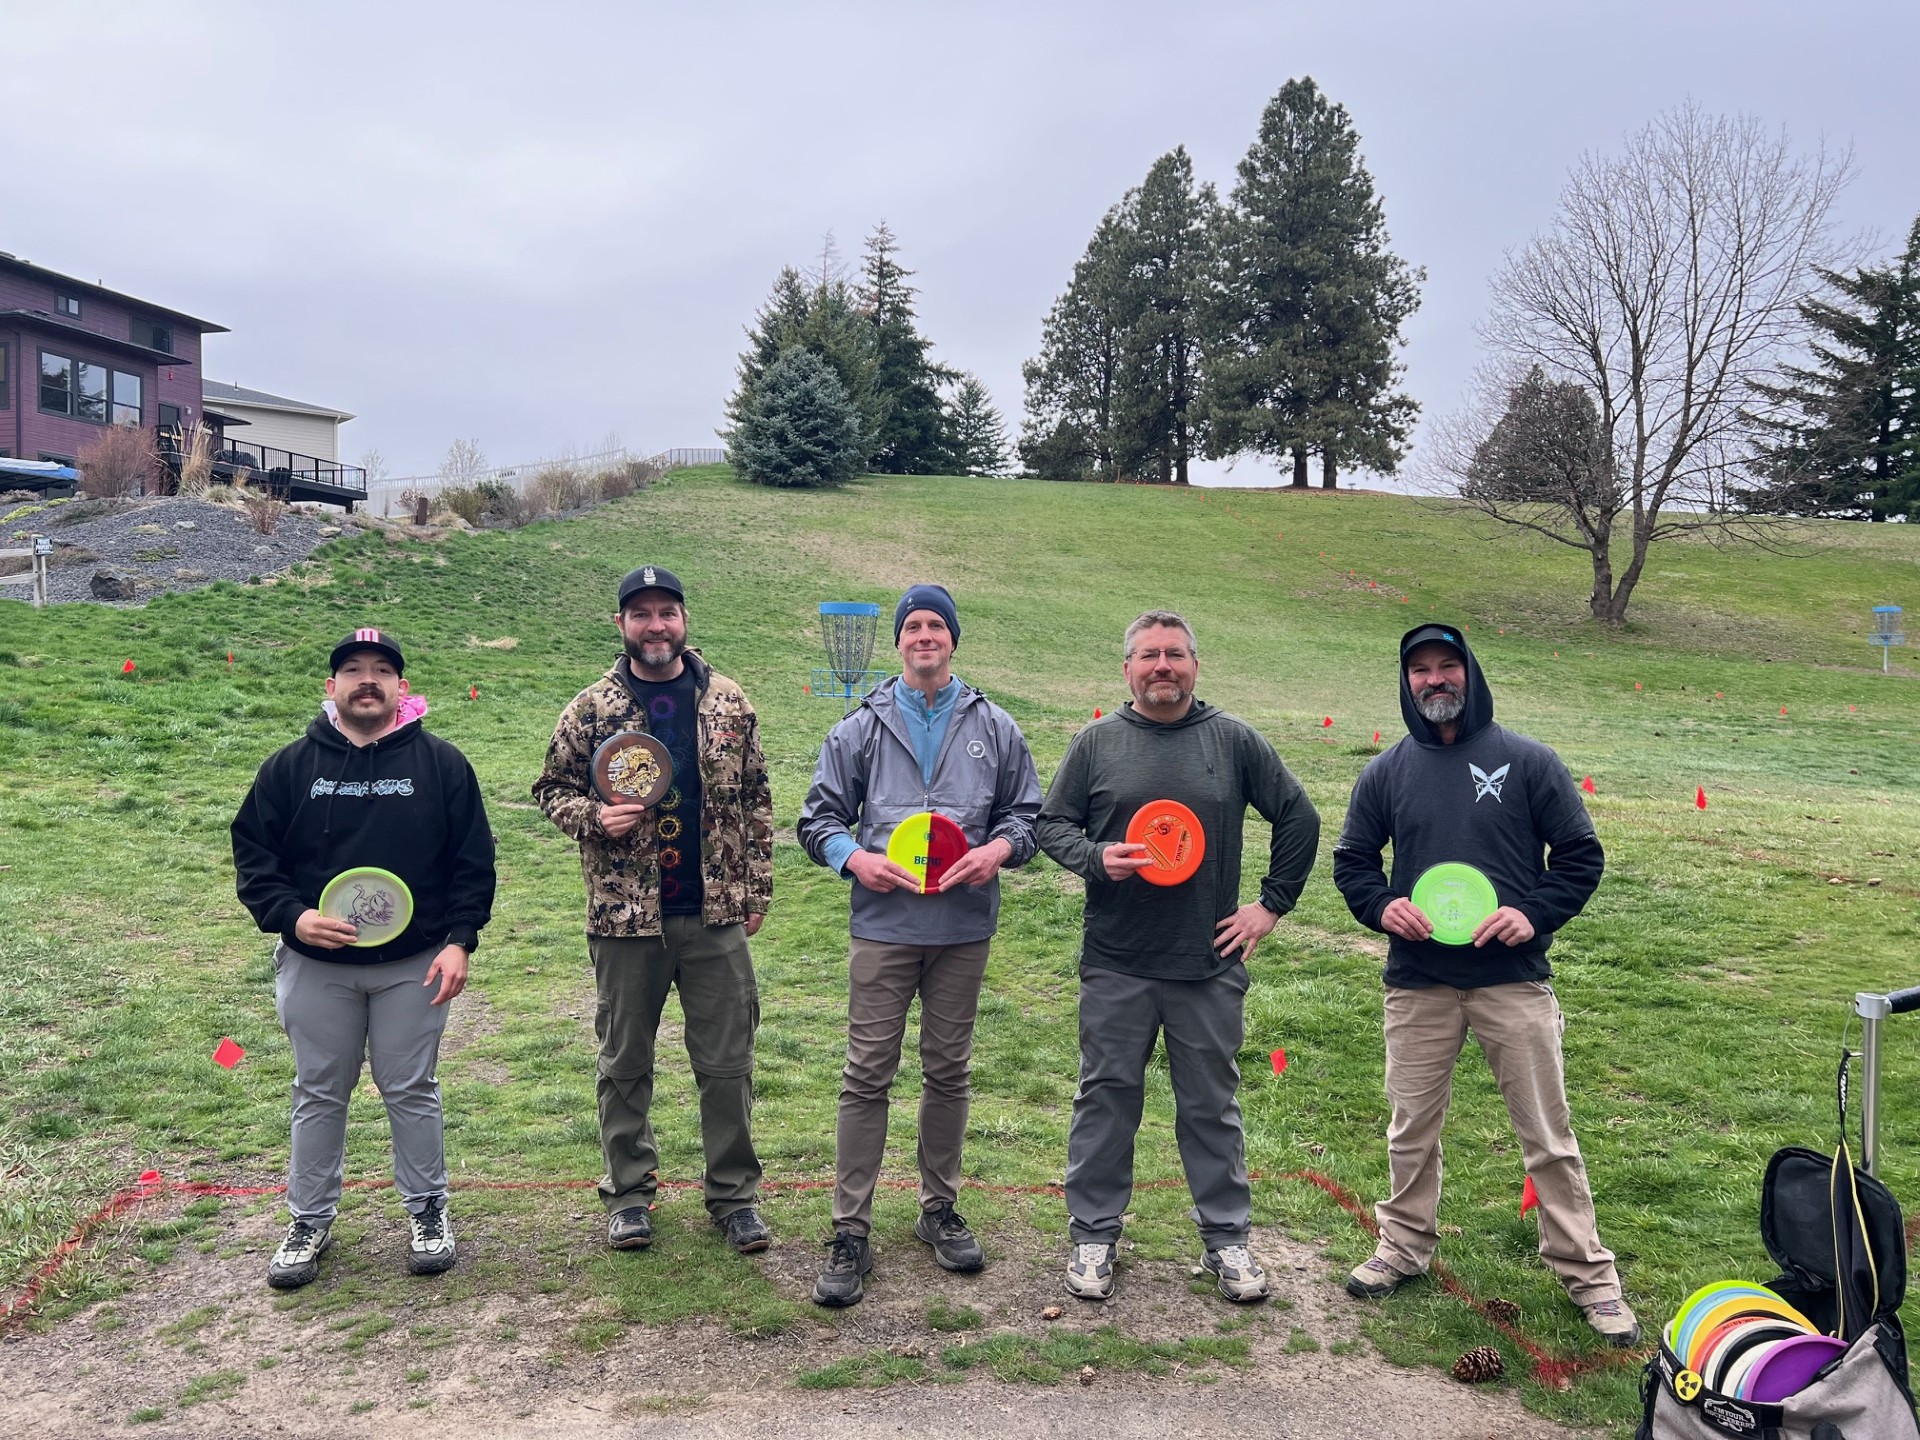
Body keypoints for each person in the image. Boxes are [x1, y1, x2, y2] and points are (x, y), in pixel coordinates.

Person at [1331, 623, 1637, 1346]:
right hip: (1419, 983)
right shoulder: (1386, 772)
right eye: (1421, 671)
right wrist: (1382, 906)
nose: (1435, 681)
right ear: (1406, 683)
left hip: (1512, 984)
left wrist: (1531, 915)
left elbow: (1579, 858)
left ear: (1471, 672)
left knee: (1548, 1137)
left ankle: (1590, 1277)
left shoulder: (1528, 762)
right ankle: (1403, 1248)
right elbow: (1352, 862)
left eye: (1448, 667)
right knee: (1411, 1130)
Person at [1036, 610, 1319, 1304]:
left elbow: (1299, 816)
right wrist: (1098, 858)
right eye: (1148, 655)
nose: (1162, 666)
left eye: (1175, 655)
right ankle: (1094, 1236)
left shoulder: (1232, 740)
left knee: (1210, 1106)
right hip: (1118, 961)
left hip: (1208, 963)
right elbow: (1049, 825)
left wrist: (1270, 905)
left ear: (1195, 664)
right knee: (1106, 1098)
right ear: (1126, 668)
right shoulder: (1097, 742)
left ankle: (1227, 1242)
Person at [797, 584, 1042, 1307]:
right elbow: (818, 818)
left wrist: (998, 850)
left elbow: (1026, 815)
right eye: (914, 626)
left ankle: (939, 1209)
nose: (925, 635)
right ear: (898, 642)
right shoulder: (859, 727)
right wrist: (855, 858)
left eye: (937, 624)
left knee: (949, 1070)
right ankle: (850, 1230)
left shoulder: (994, 726)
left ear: (953, 639)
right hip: (883, 927)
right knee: (867, 1073)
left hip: (963, 928)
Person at [232, 627, 496, 1290]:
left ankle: (429, 1211)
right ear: (333, 687)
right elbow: (254, 858)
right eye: (353, 669)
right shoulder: (291, 767)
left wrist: (460, 940)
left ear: (401, 686)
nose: (368, 680)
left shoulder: (442, 765)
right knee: (319, 1091)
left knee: (410, 1088)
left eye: (382, 669)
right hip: (316, 966)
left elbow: (472, 863)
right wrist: (292, 917)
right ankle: (308, 1219)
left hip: (416, 963)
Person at [533, 565, 775, 1255]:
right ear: (621, 625)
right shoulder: (590, 708)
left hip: (715, 914)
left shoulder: (729, 701)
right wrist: (591, 816)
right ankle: (629, 1195)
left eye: (667, 611)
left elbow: (757, 797)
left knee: (728, 1064)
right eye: (641, 614)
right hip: (623, 919)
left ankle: (734, 1197)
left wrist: (757, 889)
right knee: (624, 1061)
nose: (656, 625)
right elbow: (549, 787)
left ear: (685, 618)